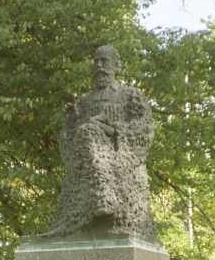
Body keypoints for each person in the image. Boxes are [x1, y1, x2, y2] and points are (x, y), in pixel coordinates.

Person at [48, 45, 156, 239]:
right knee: (87, 130)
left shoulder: (130, 95)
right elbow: (70, 140)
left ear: (117, 66)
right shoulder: (83, 101)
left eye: (104, 61)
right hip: (87, 160)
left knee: (89, 130)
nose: (99, 66)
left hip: (120, 156)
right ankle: (102, 199)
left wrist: (112, 130)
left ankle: (105, 197)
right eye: (96, 61)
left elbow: (144, 128)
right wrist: (72, 121)